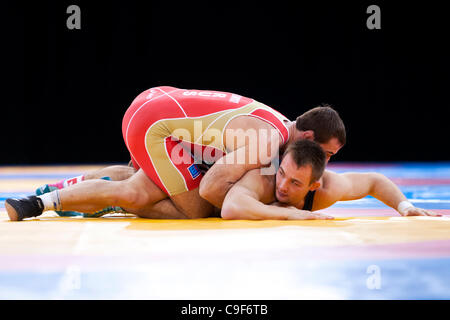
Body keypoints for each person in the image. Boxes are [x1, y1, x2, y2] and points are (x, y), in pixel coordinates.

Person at [5, 86, 346, 221]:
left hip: (155, 101)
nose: (325, 164)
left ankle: (62, 189)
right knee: (194, 206)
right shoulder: (269, 143)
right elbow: (213, 187)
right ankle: (46, 204)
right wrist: (261, 206)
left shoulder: (278, 122)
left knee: (156, 182)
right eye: (327, 154)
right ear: (308, 136)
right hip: (155, 127)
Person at [220, 140, 442, 219]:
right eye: (283, 174)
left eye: (296, 183)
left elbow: (374, 181)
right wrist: (289, 214)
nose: (283, 186)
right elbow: (230, 207)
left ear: (314, 185)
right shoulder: (265, 176)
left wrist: (405, 206)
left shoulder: (328, 188)